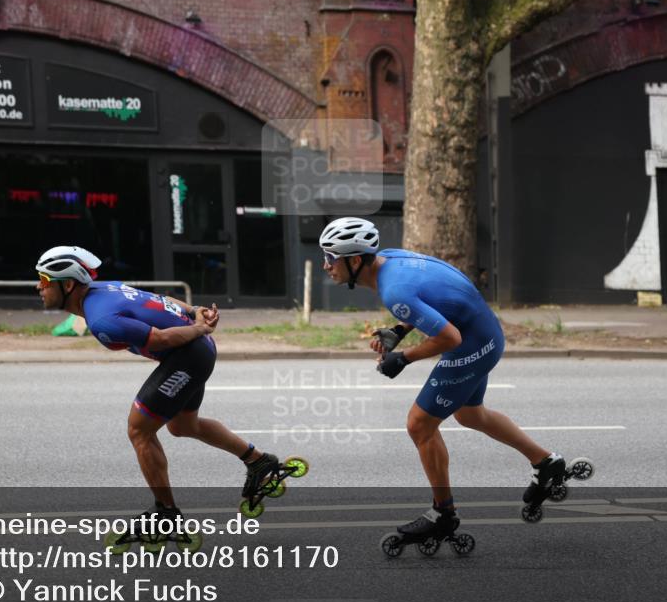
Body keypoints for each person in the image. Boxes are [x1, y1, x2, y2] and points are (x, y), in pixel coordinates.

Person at [318, 218, 575, 537]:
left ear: (355, 260)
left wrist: (403, 358)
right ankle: (546, 462)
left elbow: (449, 338)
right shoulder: (391, 258)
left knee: (419, 425)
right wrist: (398, 331)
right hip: (484, 332)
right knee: (471, 415)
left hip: (469, 342)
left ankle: (443, 514)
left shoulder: (393, 290)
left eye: (330, 257)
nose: (325, 265)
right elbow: (432, 298)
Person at [34, 245, 287, 535]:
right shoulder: (105, 288)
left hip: (188, 354)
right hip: (195, 352)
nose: (38, 287)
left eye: (43, 280)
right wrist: (194, 311)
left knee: (139, 430)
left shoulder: (101, 319)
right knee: (183, 426)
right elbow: (162, 300)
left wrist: (199, 327)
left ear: (67, 284)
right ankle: (259, 462)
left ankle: (166, 514)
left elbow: (161, 339)